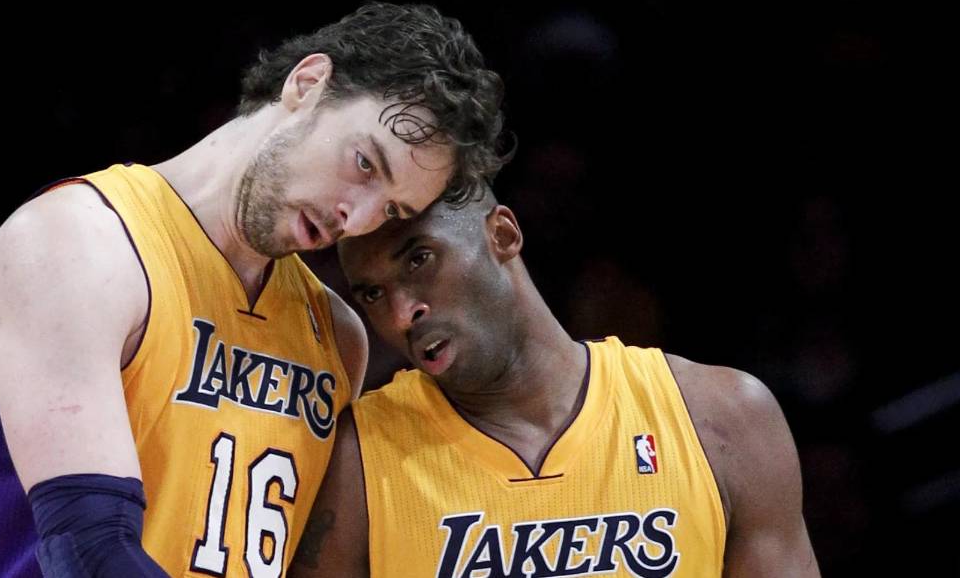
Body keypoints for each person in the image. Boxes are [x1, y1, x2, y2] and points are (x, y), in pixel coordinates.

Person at [0, 2, 508, 577]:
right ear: (307, 84)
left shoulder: (336, 338)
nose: (357, 217)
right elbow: (85, 550)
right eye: (365, 164)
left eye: (392, 209)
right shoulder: (78, 243)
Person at [292, 190, 819, 577]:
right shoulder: (354, 459)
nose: (402, 313)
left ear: (502, 235)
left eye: (419, 259)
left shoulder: (722, 417)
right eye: (373, 294)